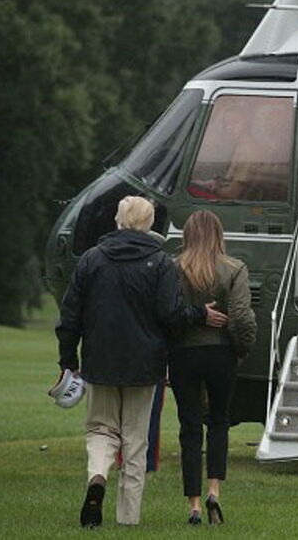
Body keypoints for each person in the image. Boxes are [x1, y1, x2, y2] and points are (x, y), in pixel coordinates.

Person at [55, 196, 226, 528]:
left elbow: (70, 315)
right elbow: (172, 315)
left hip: (99, 362)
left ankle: (98, 476)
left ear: (118, 220)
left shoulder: (91, 259)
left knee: (100, 429)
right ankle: (128, 518)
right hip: (145, 365)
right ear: (149, 225)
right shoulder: (160, 263)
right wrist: (200, 314)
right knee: (135, 440)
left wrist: (67, 360)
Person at [169, 210, 257, 525]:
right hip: (221, 353)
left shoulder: (173, 268)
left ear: (187, 235)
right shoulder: (234, 269)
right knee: (218, 421)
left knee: (189, 427)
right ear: (219, 235)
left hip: (183, 354)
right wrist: (241, 346)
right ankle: (214, 491)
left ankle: (193, 506)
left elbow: (167, 313)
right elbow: (242, 316)